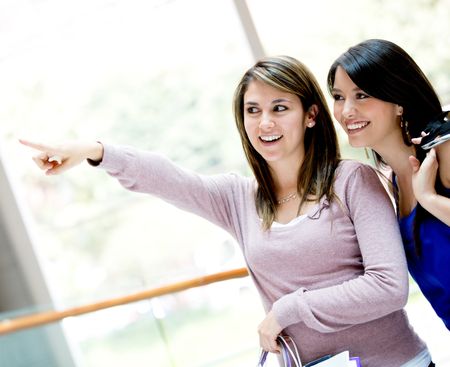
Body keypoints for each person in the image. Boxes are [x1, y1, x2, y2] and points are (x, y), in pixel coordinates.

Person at [21, 55, 431, 366]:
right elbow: (168, 177)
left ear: (310, 115)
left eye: (279, 108)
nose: (265, 122)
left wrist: (287, 309)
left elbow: (388, 287)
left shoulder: (351, 180)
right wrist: (95, 152)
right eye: (253, 110)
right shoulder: (239, 200)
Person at [328, 38, 450, 334]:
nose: (346, 111)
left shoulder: (443, 153)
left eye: (362, 95)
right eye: (339, 97)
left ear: (398, 102)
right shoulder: (393, 182)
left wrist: (429, 199)